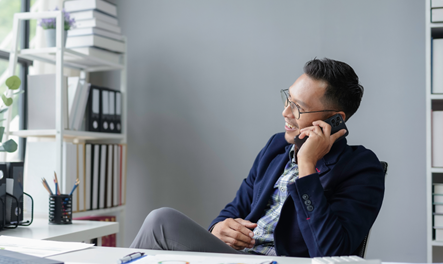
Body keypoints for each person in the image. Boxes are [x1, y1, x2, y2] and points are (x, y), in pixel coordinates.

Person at [130, 58, 385, 257]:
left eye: (298, 108)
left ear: (334, 119)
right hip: (242, 257)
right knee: (161, 220)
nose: (285, 112)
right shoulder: (276, 147)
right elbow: (236, 208)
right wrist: (218, 229)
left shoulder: (362, 169)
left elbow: (331, 252)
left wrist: (307, 166)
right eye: (288, 99)